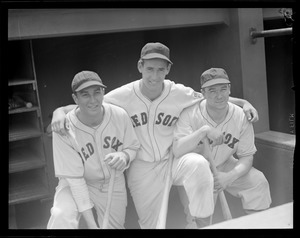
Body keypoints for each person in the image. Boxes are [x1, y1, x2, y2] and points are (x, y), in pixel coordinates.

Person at [50, 43, 259, 229]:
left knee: (198, 164)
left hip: (173, 159)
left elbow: (212, 96)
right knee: (150, 225)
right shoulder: (124, 94)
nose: (155, 76)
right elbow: (92, 103)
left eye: (161, 70)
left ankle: (202, 223)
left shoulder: (179, 92)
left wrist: (243, 103)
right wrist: (59, 111)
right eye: (149, 69)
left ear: (168, 69)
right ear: (140, 66)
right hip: (143, 166)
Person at [173, 68, 272, 228]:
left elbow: (247, 157)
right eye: (212, 90)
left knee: (257, 181)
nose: (219, 95)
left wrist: (230, 176)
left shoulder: (241, 115)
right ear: (203, 93)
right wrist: (202, 131)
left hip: (225, 164)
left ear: (229, 89)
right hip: (196, 170)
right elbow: (177, 150)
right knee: (197, 217)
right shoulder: (190, 113)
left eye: (223, 89)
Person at [47, 71, 140, 229]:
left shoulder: (119, 115)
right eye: (85, 95)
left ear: (103, 92)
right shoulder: (64, 128)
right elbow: (76, 182)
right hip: (73, 183)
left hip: (112, 181)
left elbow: (133, 147)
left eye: (97, 92)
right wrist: (92, 225)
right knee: (61, 216)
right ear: (75, 99)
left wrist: (124, 156)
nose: (93, 100)